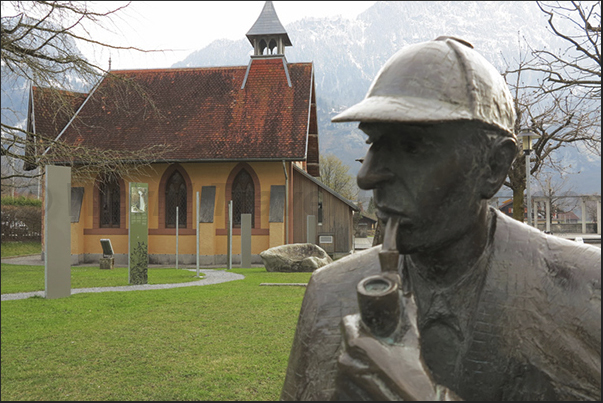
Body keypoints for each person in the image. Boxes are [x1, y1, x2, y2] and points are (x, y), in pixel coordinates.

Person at [280, 37, 601, 401]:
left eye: (413, 146)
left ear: (493, 167)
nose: (366, 176)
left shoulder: (586, 292)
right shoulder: (329, 295)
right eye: (374, 143)